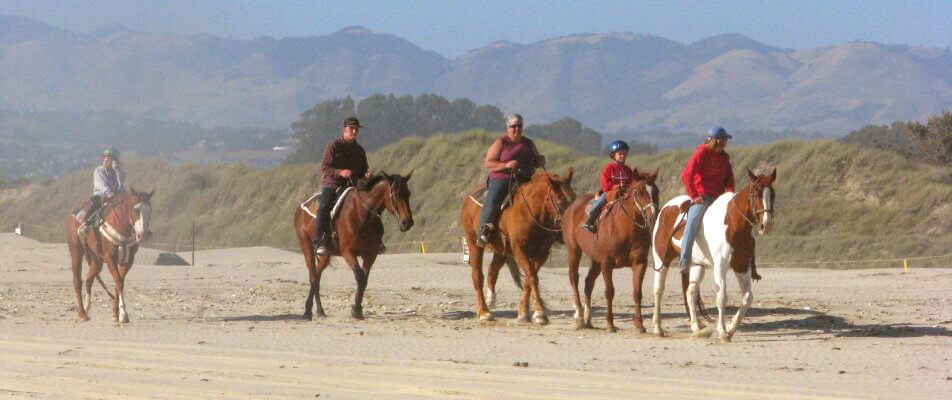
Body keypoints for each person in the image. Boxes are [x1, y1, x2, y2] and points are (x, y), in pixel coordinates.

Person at [477, 113, 546, 246]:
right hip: (502, 178)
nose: (516, 129)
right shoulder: (501, 142)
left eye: (519, 126)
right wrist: (506, 165)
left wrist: (540, 160)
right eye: (513, 126)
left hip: (525, 178)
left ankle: (550, 230)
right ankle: (484, 230)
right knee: (493, 199)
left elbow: (537, 158)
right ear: (508, 128)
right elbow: (488, 163)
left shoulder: (529, 143)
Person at [313, 116, 374, 256]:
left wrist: (366, 174)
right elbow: (325, 167)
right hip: (333, 183)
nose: (354, 131)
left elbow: (364, 169)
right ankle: (321, 240)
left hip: (353, 185)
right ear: (344, 129)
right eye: (352, 128)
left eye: (356, 129)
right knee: (324, 207)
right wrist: (340, 172)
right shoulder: (333, 146)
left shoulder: (359, 150)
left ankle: (375, 239)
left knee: (371, 205)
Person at [679, 127, 736, 272]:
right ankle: (685, 260)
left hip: (719, 199)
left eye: (725, 140)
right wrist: (694, 196)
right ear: (716, 140)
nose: (725, 143)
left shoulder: (724, 158)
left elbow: (729, 179)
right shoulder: (700, 154)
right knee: (691, 224)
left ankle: (745, 262)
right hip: (702, 198)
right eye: (723, 140)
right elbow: (687, 175)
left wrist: (729, 195)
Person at [582, 140, 634, 232]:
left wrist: (627, 187)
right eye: (620, 154)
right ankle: (590, 219)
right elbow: (605, 182)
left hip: (625, 193)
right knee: (602, 200)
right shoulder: (609, 168)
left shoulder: (628, 170)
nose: (623, 156)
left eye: (624, 153)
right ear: (613, 155)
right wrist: (615, 186)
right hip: (610, 192)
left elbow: (632, 182)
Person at [77, 147, 125, 236]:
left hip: (116, 196)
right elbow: (102, 185)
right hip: (101, 195)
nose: (106, 160)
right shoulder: (99, 171)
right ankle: (86, 224)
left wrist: (117, 170)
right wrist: (110, 194)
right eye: (105, 157)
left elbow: (121, 182)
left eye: (110, 158)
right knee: (96, 205)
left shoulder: (116, 173)